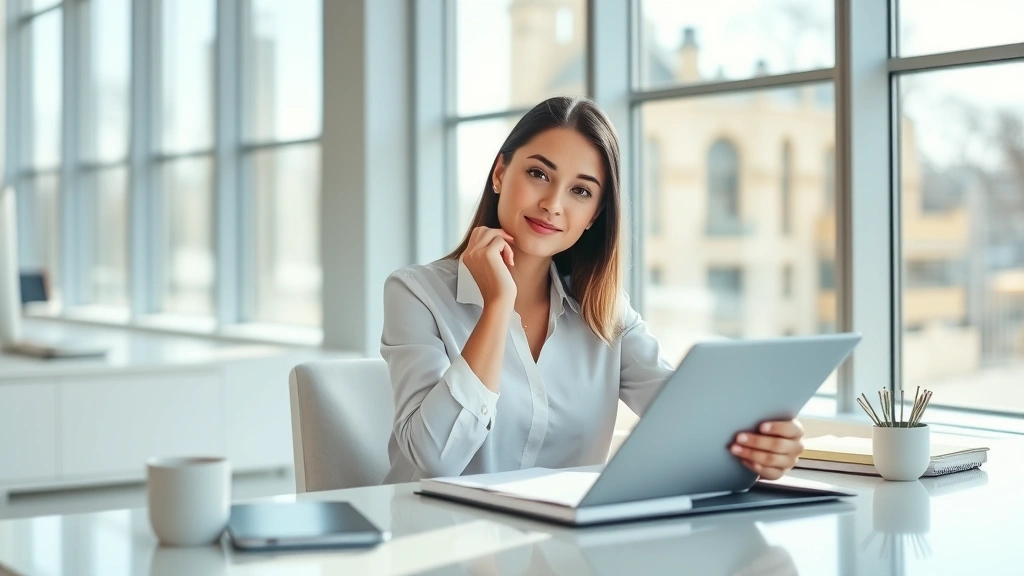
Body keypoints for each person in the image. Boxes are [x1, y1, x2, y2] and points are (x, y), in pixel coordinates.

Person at [379, 95, 804, 485]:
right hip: (434, 548)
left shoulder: (603, 313)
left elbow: (688, 417)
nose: (553, 203)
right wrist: (497, 306)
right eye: (538, 173)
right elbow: (434, 459)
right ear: (500, 173)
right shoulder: (416, 294)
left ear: (595, 214)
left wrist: (763, 439)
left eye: (580, 190)